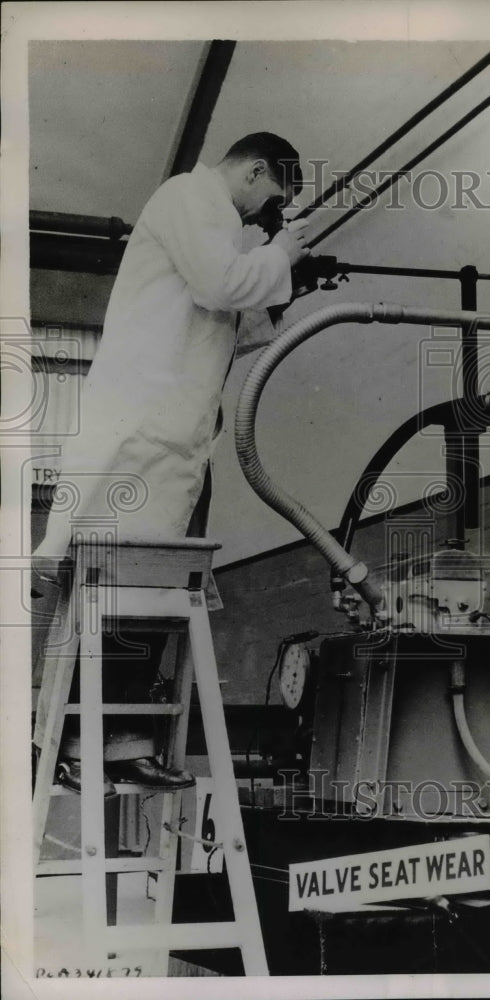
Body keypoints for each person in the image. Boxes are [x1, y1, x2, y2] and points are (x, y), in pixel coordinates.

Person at [33, 132, 310, 793]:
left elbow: (228, 328)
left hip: (173, 441)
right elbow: (221, 286)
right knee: (112, 591)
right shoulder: (190, 196)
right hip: (139, 437)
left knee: (146, 599)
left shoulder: (214, 225)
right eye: (270, 199)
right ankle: (70, 741)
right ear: (254, 169)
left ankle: (122, 745)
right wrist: (280, 252)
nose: (261, 218)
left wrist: (285, 281)